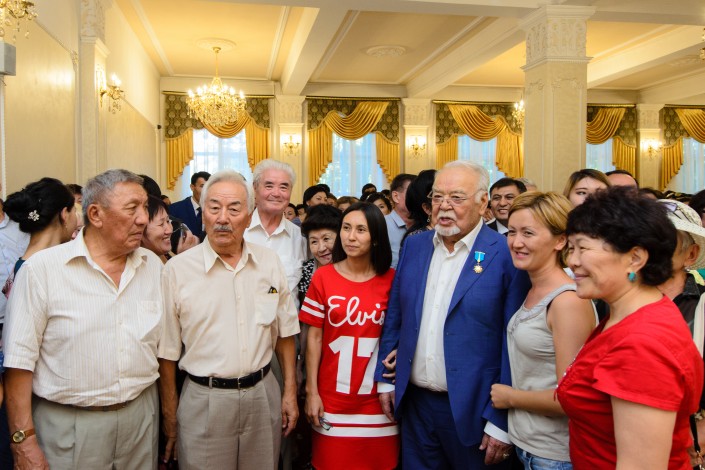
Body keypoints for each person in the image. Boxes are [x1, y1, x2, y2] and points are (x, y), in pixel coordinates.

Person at [3, 169, 164, 469]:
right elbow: (18, 363)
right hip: (70, 426)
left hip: (141, 419)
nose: (144, 218)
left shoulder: (152, 266)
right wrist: (22, 442)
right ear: (95, 214)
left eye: (144, 207)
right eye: (132, 208)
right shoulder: (42, 270)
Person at [375, 161, 531, 468]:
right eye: (437, 197)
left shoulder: (504, 253)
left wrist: (500, 420)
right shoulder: (415, 245)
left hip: (475, 410)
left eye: (457, 197)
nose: (444, 206)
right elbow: (396, 314)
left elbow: (513, 343)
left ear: (482, 203)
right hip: (416, 406)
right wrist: (386, 380)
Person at [159, 169, 300, 470]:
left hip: (262, 393)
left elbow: (285, 333)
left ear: (249, 217)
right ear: (203, 214)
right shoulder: (177, 271)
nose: (222, 218)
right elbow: (167, 352)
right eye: (214, 208)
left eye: (234, 209)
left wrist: (289, 391)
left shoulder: (268, 263)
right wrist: (170, 413)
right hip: (204, 400)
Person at [556, 186, 703, 469]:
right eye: (571, 248)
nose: (572, 261)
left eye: (583, 248)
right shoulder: (625, 314)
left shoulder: (642, 345)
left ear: (635, 258)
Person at [490, 192, 596, 469]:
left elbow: (570, 397)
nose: (516, 242)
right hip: (528, 445)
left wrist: (510, 397)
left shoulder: (567, 302)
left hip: (554, 454)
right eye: (512, 232)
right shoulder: (531, 288)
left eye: (528, 233)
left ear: (560, 241)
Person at [301, 202, 399, 469]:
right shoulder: (323, 278)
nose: (350, 237)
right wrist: (312, 392)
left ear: (376, 238)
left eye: (360, 230)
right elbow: (314, 339)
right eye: (346, 228)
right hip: (332, 399)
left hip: (379, 402)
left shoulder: (392, 280)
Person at [0, 178, 77, 469]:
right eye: (75, 209)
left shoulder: (24, 262)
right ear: (64, 214)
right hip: (36, 393)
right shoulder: (41, 270)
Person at [655, 199, 705, 465]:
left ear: (691, 254)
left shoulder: (702, 302)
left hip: (691, 438)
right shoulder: (615, 301)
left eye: (664, 239)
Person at [245, 159, 306, 303]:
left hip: (287, 317)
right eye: (269, 186)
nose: (277, 193)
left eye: (284, 187)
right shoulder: (238, 232)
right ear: (255, 188)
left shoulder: (300, 237)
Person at [384, 173, 415, 269]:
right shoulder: (382, 225)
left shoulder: (424, 226)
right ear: (396, 196)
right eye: (412, 192)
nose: (417, 197)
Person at [168, 171, 210, 239]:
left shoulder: (215, 210)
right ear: (192, 187)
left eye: (209, 187)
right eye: (202, 186)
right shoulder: (174, 209)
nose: (206, 191)